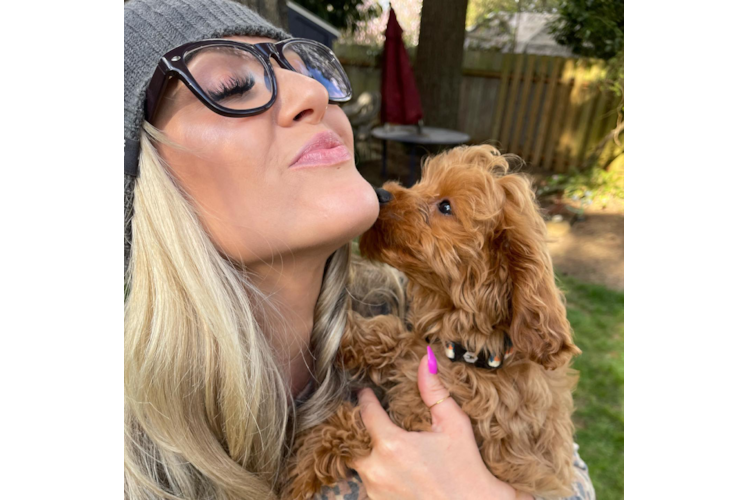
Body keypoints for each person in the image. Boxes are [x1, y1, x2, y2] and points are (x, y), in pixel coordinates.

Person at [123, 1, 596, 499]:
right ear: (147, 189)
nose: (311, 91)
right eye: (233, 85)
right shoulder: (142, 455)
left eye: (309, 72)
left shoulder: (414, 317)